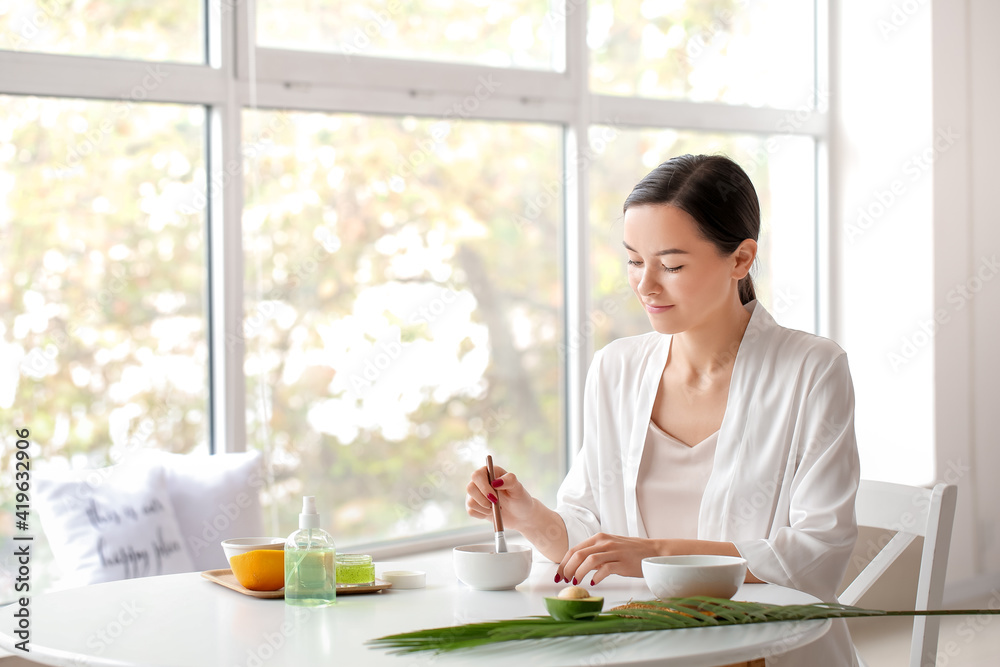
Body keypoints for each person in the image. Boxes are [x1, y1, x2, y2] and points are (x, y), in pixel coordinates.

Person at [466, 154, 861, 666]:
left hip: (764, 654)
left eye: (672, 265)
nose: (645, 285)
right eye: (634, 260)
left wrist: (655, 555)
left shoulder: (811, 369)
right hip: (641, 651)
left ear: (740, 260)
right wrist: (526, 516)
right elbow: (592, 538)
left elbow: (816, 554)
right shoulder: (615, 369)